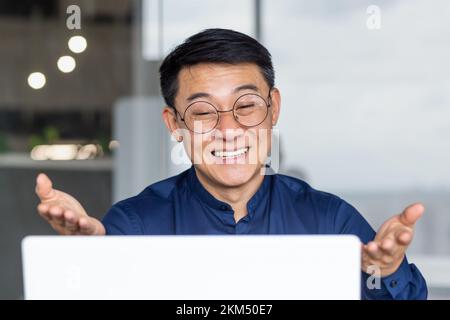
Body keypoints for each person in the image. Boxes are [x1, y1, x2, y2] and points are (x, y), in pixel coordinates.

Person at [35, 28, 427, 300]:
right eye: (204, 111)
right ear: (175, 124)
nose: (228, 129)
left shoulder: (331, 222)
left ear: (273, 109)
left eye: (246, 106)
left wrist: (386, 270)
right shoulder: (133, 226)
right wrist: (85, 264)